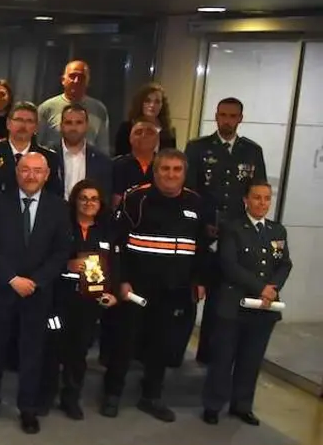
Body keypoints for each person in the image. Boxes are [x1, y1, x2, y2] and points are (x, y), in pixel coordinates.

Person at [100, 149, 207, 422]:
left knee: (162, 344)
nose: (171, 175)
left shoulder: (196, 203)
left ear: (184, 173)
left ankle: (152, 396)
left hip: (174, 289)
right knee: (125, 342)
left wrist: (199, 280)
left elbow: (202, 248)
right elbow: (117, 244)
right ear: (155, 172)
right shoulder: (136, 198)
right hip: (136, 288)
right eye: (165, 169)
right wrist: (121, 280)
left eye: (177, 169)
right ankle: (112, 393)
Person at [0, 153, 72, 434]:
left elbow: (61, 252)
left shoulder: (59, 207)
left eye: (37, 171)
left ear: (47, 175)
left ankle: (28, 409)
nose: (31, 176)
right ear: (17, 173)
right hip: (0, 290)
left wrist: (35, 281)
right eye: (25, 170)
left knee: (32, 354)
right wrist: (12, 279)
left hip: (37, 294)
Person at [185, 97, 267, 365]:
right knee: (196, 290)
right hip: (204, 231)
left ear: (240, 118)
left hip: (236, 235)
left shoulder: (251, 151)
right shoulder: (198, 148)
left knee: (225, 295)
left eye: (232, 116)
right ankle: (185, 349)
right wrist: (200, 222)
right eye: (223, 115)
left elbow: (257, 192)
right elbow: (190, 191)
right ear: (216, 116)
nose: (227, 121)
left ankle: (214, 354)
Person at [201, 181, 291, 426]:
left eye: (266, 198)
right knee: (223, 359)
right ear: (246, 200)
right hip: (234, 305)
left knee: (251, 360)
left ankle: (242, 405)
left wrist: (272, 289)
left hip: (264, 308)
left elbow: (284, 264)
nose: (262, 203)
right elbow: (229, 265)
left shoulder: (276, 231)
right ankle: (213, 405)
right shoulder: (232, 228)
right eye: (257, 198)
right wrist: (260, 288)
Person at [40, 180, 116, 420]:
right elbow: (44, 258)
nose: (88, 203)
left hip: (89, 301)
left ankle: (71, 398)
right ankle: (45, 396)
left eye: (93, 199)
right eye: (83, 198)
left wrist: (111, 291)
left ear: (100, 203)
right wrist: (67, 264)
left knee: (79, 351)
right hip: (59, 298)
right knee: (52, 347)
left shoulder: (107, 230)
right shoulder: (61, 227)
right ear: (74, 201)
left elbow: (115, 264)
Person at [37, 60, 111, 153]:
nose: (76, 81)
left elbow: (103, 149)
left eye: (81, 77)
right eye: (72, 76)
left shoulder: (99, 110)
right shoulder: (47, 108)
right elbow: (37, 144)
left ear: (88, 81)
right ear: (63, 80)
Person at [0, 102, 61, 196]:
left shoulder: (49, 158)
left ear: (36, 127)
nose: (23, 125)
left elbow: (53, 193)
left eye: (29, 121)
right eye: (19, 120)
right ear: (8, 123)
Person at [54, 103, 114, 200]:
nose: (73, 128)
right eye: (68, 123)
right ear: (61, 126)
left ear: (86, 126)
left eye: (79, 123)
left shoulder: (102, 161)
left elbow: (104, 198)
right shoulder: (48, 157)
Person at [114, 82, 175, 155]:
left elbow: (172, 157)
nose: (152, 105)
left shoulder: (169, 132)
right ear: (140, 103)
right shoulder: (126, 128)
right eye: (147, 101)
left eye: (157, 102)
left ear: (162, 105)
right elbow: (120, 157)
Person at [111, 119, 161, 206]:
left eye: (149, 132)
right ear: (130, 138)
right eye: (138, 132)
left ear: (157, 139)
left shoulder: (166, 166)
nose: (144, 135)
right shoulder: (116, 165)